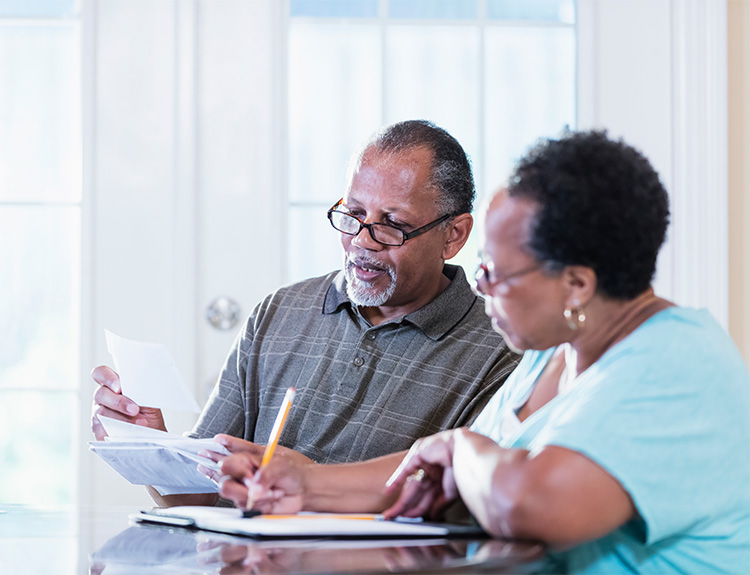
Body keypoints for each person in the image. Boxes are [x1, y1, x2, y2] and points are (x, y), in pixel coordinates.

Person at [218, 130, 750, 574]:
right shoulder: (553, 356)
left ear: (577, 285)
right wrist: (307, 484)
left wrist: (461, 446)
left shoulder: (682, 366)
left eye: (495, 271)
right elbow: (441, 483)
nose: (481, 286)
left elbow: (529, 503)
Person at [90, 119, 519, 507]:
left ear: (454, 235)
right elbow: (199, 496)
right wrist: (150, 441)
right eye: (352, 214)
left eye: (392, 224)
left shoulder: (501, 349)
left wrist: (309, 483)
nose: (362, 242)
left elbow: (470, 510)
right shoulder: (279, 313)